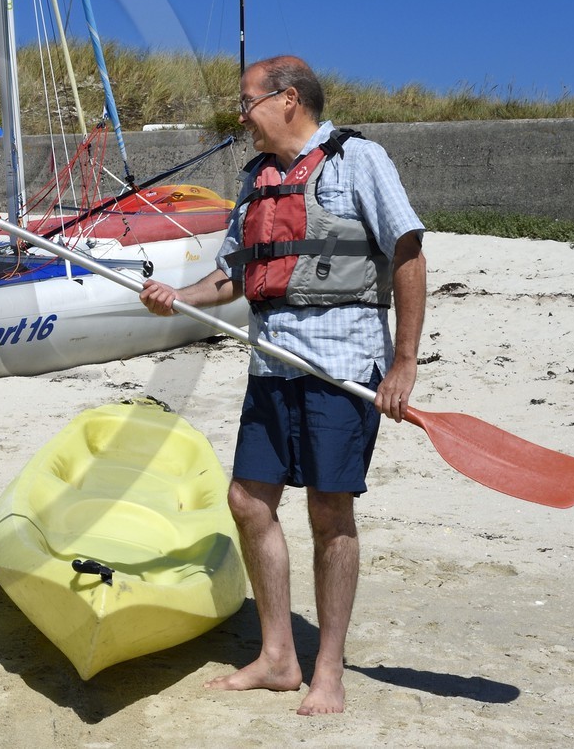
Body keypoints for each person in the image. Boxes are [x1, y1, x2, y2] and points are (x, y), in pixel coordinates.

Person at [136, 54, 426, 716]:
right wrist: (176, 297)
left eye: (247, 102)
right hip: (271, 364)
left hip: (342, 370)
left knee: (330, 514)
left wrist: (404, 361)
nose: (240, 115)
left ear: (288, 99)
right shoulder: (255, 177)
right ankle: (277, 655)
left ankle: (328, 668)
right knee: (247, 501)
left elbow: (408, 250)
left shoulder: (360, 161)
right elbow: (232, 276)